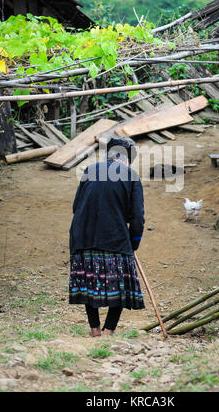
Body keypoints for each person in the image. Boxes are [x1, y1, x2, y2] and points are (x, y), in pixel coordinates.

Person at [69, 137, 145, 337]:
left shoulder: (90, 171)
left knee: (88, 285)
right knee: (120, 287)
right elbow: (137, 217)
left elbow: (76, 207)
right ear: (127, 158)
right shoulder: (131, 176)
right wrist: (134, 241)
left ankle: (94, 329)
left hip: (82, 237)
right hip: (115, 240)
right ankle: (109, 330)